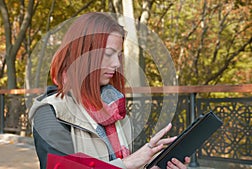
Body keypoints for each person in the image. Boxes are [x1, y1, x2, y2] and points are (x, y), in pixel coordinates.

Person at [28, 12, 190, 169]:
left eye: (118, 55)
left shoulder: (115, 108)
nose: (116, 64)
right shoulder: (50, 113)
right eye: (108, 54)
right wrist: (127, 163)